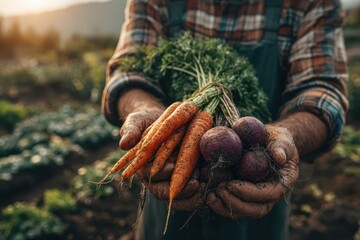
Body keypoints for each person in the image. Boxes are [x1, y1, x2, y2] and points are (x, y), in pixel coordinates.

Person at [101, 0, 349, 239]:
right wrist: (150, 114)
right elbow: (129, 70)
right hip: (168, 178)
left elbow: (323, 93)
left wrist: (287, 135)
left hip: (258, 191)